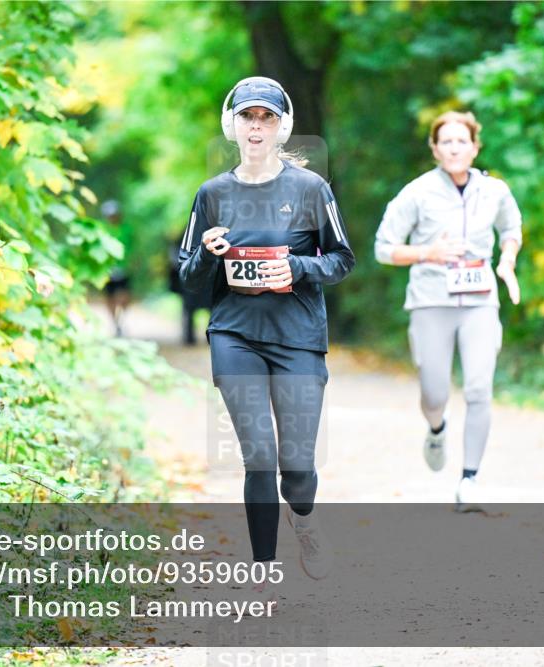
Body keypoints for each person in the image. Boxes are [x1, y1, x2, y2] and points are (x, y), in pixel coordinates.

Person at [177, 77, 355, 601]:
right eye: (247, 117)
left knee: (296, 468)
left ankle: (304, 518)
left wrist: (296, 267)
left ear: (282, 127)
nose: (256, 127)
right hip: (235, 335)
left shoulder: (311, 190)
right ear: (231, 125)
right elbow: (188, 277)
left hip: (298, 336)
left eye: (267, 118)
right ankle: (264, 570)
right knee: (258, 455)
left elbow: (342, 259)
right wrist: (208, 253)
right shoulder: (212, 194)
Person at [373, 110, 522, 512]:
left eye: (462, 141)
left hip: (480, 301)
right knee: (435, 392)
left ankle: (469, 480)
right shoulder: (416, 193)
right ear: (435, 149)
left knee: (479, 389)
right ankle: (436, 427)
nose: (455, 148)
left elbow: (511, 229)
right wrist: (428, 252)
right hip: (430, 300)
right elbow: (384, 248)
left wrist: (507, 260)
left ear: (475, 147)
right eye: (446, 141)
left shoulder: (495, 191)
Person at [100, 200, 131, 336]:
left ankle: (120, 319)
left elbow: (132, 247)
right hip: (107, 270)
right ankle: (115, 323)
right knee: (110, 298)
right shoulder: (102, 230)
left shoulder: (126, 229)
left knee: (125, 297)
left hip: (123, 269)